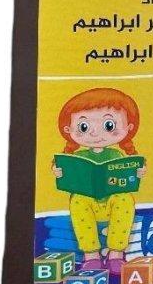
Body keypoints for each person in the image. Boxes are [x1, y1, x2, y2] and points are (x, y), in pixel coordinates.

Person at [53, 88, 146, 273]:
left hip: (112, 203)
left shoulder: (116, 154)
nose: (95, 134)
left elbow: (126, 176)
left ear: (128, 128)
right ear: (68, 130)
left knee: (125, 198)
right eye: (84, 127)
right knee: (78, 199)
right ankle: (91, 255)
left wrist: (138, 173)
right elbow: (67, 177)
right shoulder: (77, 157)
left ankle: (116, 254)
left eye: (108, 125)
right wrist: (58, 172)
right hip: (88, 204)